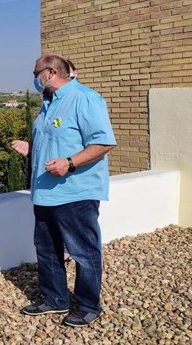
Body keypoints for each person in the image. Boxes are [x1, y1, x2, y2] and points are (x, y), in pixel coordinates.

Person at [11, 53, 116, 327]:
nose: (34, 78)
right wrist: (31, 148)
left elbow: (103, 143)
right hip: (45, 193)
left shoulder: (84, 98)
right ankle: (54, 299)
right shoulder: (48, 104)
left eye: (36, 73)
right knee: (47, 249)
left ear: (50, 72)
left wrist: (70, 164)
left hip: (76, 193)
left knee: (84, 251)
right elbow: (57, 142)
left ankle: (88, 305)